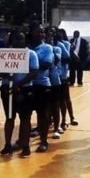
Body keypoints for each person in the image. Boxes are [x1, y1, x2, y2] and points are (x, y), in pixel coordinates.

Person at [0, 31, 39, 157]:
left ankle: (25, 146)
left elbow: (34, 72)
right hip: (8, 90)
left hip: (25, 90)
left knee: (25, 119)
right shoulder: (5, 54)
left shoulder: (31, 54)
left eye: (21, 39)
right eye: (15, 39)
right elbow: (0, 72)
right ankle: (7, 145)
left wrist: (19, 84)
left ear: (25, 40)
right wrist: (9, 83)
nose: (18, 42)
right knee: (9, 118)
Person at [28, 23, 54, 152]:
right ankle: (23, 141)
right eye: (38, 32)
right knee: (25, 115)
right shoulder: (25, 47)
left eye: (43, 32)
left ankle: (43, 141)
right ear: (31, 32)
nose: (41, 34)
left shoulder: (48, 47)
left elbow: (47, 64)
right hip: (26, 84)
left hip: (41, 84)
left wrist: (31, 60)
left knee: (42, 114)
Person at [57, 29, 78, 127]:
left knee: (66, 98)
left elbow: (69, 58)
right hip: (55, 76)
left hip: (64, 74)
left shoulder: (65, 44)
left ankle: (71, 116)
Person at [46, 27, 64, 140]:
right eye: (48, 36)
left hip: (55, 80)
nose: (49, 38)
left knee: (56, 105)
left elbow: (56, 60)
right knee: (45, 106)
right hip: (43, 80)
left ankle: (57, 128)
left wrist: (50, 49)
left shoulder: (57, 48)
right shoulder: (40, 48)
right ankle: (45, 125)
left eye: (52, 36)